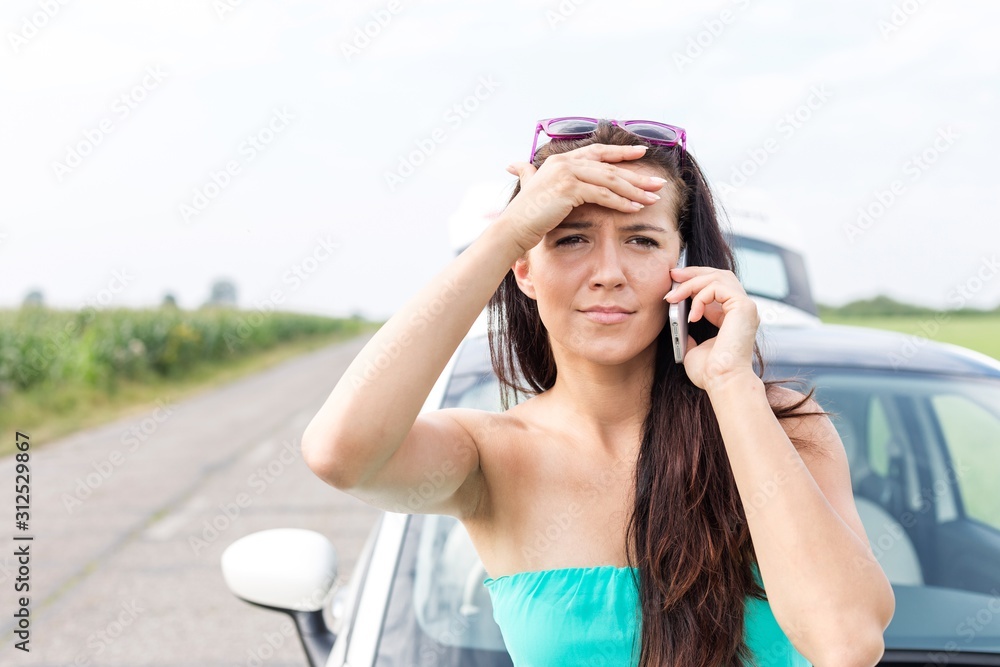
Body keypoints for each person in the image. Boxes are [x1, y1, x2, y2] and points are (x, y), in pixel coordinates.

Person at [301, 117, 895, 666]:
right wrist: (509, 231)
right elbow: (338, 453)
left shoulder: (782, 427)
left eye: (641, 240)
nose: (609, 271)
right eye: (570, 239)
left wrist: (730, 383)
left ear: (683, 264)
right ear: (524, 271)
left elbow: (846, 642)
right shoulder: (490, 454)